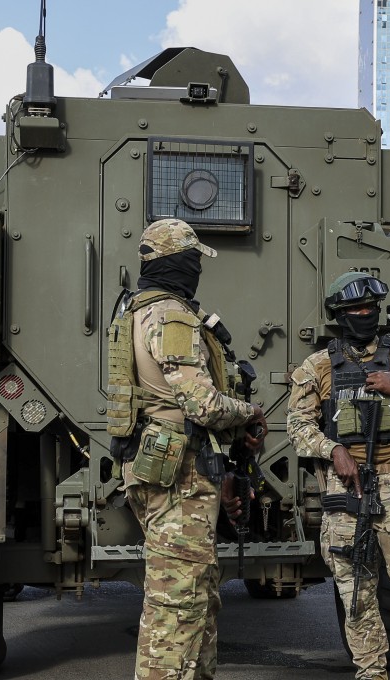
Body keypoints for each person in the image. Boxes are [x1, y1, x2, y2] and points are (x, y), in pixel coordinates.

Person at [106, 218, 267, 680]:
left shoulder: (136, 309)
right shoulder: (172, 315)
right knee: (175, 606)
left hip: (159, 462)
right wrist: (248, 413)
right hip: (178, 472)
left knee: (197, 593)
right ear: (178, 262)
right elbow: (202, 404)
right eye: (194, 260)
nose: (198, 269)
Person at [287, 272, 390, 680]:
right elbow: (298, 426)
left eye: (370, 309)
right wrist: (332, 449)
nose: (364, 315)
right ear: (339, 316)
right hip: (346, 490)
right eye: (355, 310)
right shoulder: (317, 366)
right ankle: (370, 673)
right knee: (356, 596)